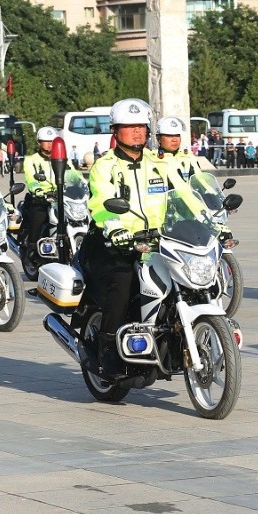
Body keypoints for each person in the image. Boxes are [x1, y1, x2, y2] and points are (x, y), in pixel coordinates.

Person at [84, 98, 172, 376]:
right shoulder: (104, 166)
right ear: (115, 131)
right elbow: (101, 203)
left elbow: (185, 194)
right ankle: (108, 346)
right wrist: (116, 229)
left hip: (156, 242)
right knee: (123, 282)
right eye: (129, 126)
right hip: (113, 243)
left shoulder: (159, 163)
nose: (137, 132)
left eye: (141, 126)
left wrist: (212, 220)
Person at [21, 126, 60, 261]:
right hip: (41, 199)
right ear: (39, 142)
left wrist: (81, 184)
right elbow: (31, 179)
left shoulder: (62, 159)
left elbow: (73, 175)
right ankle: (33, 250)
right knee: (39, 216)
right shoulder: (31, 159)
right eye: (46, 141)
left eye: (53, 141)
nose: (50, 143)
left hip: (59, 198)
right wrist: (38, 191)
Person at [153, 116, 202, 186]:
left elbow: (200, 182)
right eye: (169, 136)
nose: (174, 139)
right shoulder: (152, 160)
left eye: (177, 135)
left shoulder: (189, 158)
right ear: (158, 138)